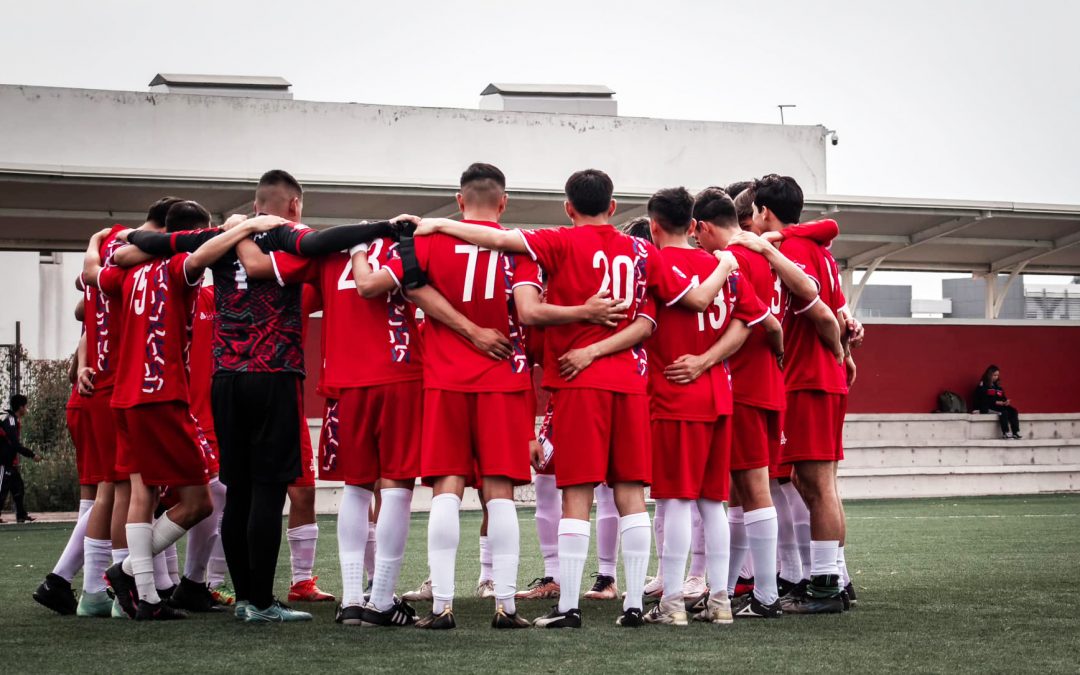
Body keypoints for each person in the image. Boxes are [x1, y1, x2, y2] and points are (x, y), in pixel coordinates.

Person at [414, 168, 738, 628]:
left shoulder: (556, 241)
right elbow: (653, 321)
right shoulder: (642, 250)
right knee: (631, 494)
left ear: (568, 208)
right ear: (613, 206)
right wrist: (725, 263)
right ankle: (633, 605)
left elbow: (504, 249)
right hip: (631, 384)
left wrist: (438, 224)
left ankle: (567, 605)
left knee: (576, 495)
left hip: (576, 383)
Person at [124, 171, 400, 623]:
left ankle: (245, 600)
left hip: (226, 379)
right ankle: (261, 600)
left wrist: (126, 238)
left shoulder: (220, 238)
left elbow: (150, 242)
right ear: (293, 205)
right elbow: (323, 241)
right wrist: (384, 227)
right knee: (270, 491)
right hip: (274, 376)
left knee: (239, 491)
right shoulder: (285, 235)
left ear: (255, 205)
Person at [637, 187, 769, 627]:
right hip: (719, 395)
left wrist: (697, 361)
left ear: (654, 225)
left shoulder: (656, 261)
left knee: (675, 501)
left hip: (676, 395)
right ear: (693, 224)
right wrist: (711, 360)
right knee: (713, 503)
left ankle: (673, 602)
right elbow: (749, 322)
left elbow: (690, 303)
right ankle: (721, 600)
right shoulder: (720, 263)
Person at [0, 393, 42, 523]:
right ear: (20, 407)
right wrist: (32, 455)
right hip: (3, 462)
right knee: (2, 489)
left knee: (18, 487)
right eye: (25, 406)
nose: (26, 409)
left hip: (10, 462)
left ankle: (21, 515)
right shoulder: (11, 421)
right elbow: (15, 445)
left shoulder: (14, 420)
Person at [975, 365, 1021, 439]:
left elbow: (1002, 397)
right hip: (988, 407)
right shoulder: (983, 385)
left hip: (999, 406)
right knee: (1003, 412)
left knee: (1013, 411)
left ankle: (1015, 432)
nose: (996, 377)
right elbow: (983, 399)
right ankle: (1006, 432)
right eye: (994, 375)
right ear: (989, 375)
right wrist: (996, 402)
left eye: (997, 375)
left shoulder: (998, 386)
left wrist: (1005, 402)